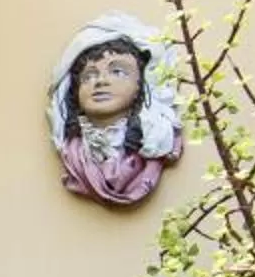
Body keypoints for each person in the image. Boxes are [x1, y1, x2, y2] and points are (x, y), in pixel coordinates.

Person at [46, 13, 184, 206]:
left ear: (141, 84)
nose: (101, 81)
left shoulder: (156, 138)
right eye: (89, 76)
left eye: (117, 71)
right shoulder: (72, 151)